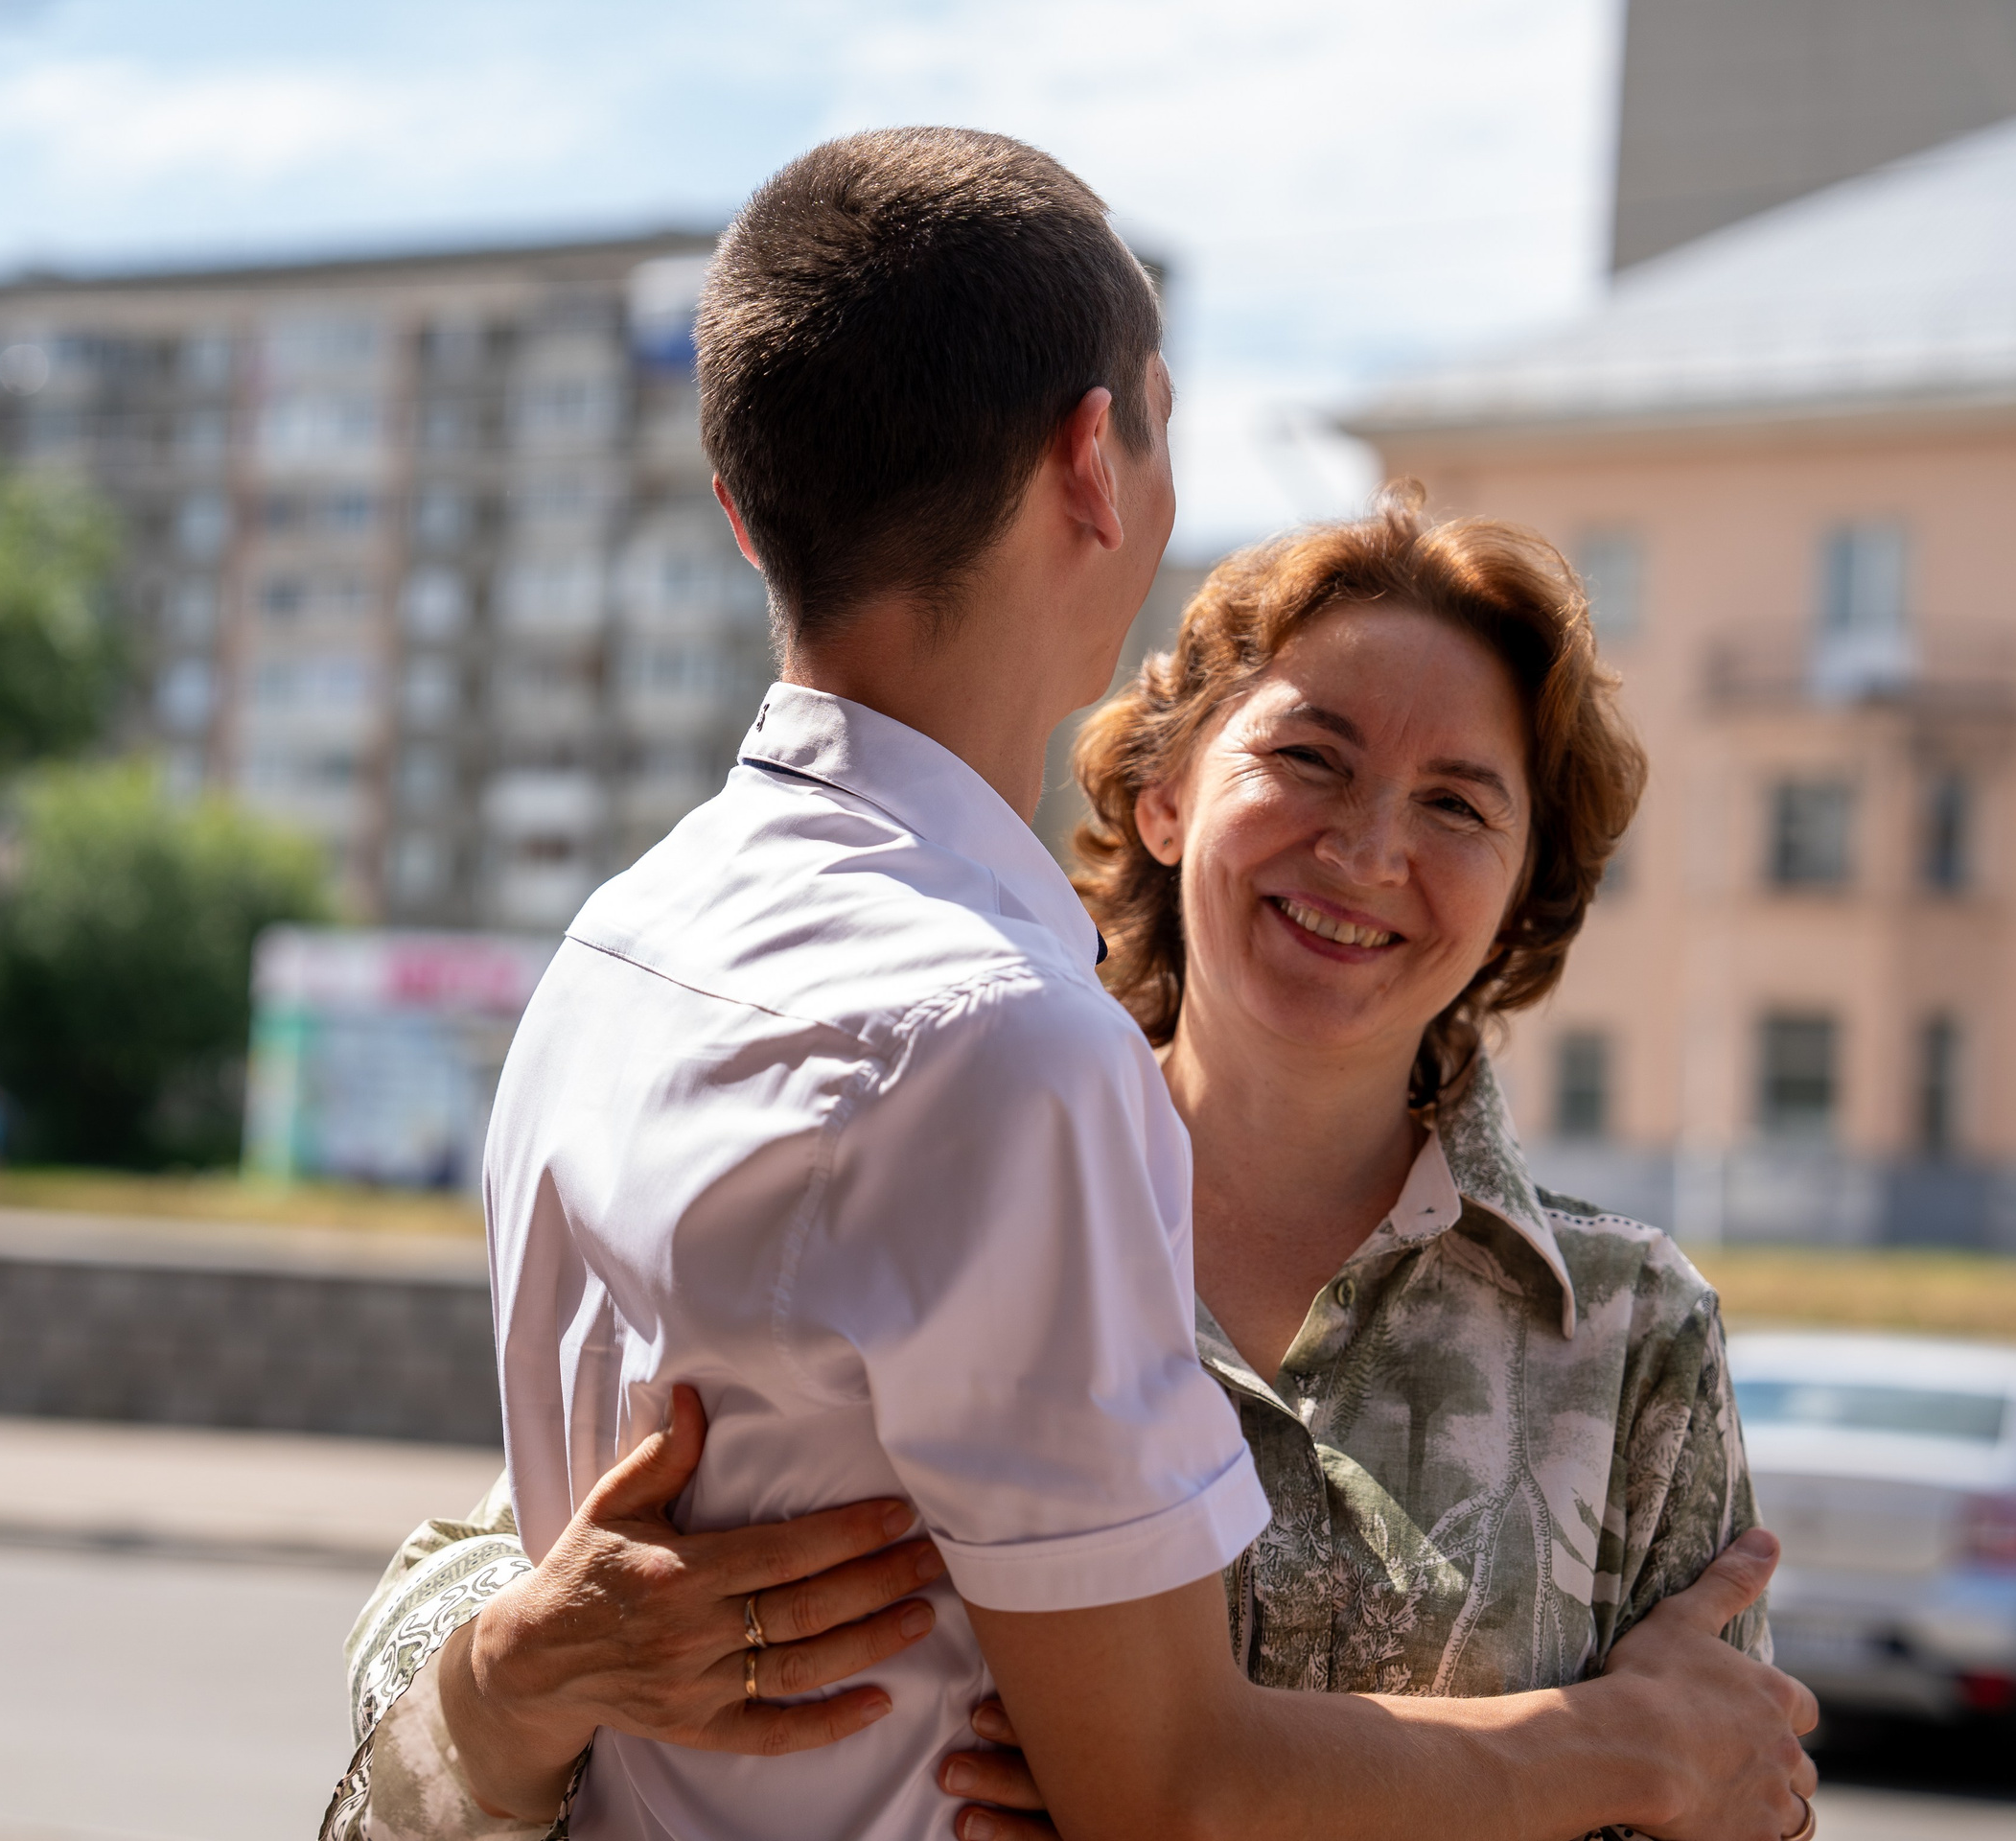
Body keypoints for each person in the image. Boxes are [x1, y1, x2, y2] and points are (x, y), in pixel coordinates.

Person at [325, 127, 1818, 1841]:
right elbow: (514, 1583)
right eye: (1309, 759)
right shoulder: (1004, 1070)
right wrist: (501, 1673)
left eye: (1462, 804)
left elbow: (1732, 1788)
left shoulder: (1626, 1331)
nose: (1366, 849)